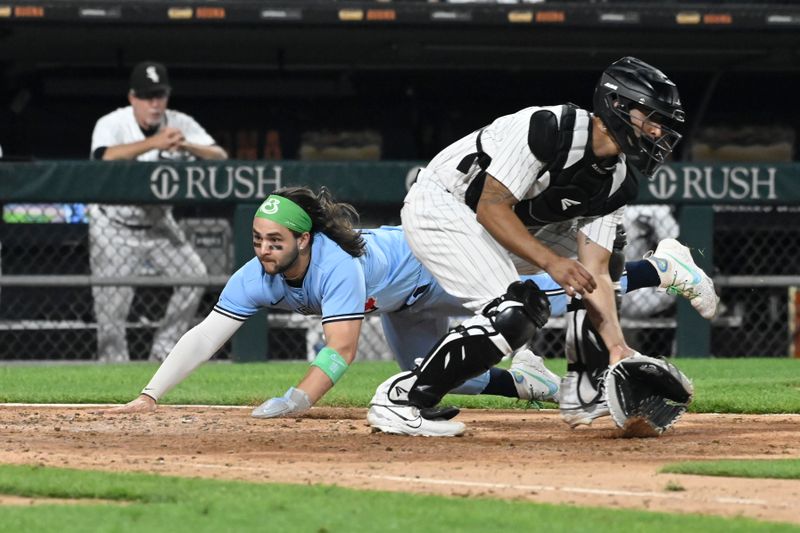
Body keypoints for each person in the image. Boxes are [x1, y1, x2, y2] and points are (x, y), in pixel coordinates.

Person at [106, 187, 715, 423]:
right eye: (259, 240)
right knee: (437, 377)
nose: (265, 249)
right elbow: (204, 335)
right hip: (403, 305)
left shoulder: (335, 265)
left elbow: (341, 352)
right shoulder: (255, 274)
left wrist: (296, 402)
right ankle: (530, 384)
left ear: (304, 239)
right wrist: (150, 394)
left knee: (558, 291)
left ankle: (663, 266)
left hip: (433, 267)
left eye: (277, 240)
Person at [365, 56, 714, 437]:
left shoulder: (619, 183)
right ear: (618, 105)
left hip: (515, 222)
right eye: (652, 118)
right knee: (512, 313)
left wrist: (618, 347)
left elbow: (594, 273)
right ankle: (400, 399)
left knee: (584, 276)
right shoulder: (550, 127)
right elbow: (490, 205)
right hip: (445, 202)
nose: (658, 131)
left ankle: (590, 373)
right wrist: (551, 262)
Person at [89, 61, 227, 362]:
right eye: (147, 96)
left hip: (158, 224)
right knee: (111, 313)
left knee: (195, 277)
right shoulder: (112, 123)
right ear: (132, 98)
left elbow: (219, 156)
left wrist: (188, 145)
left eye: (160, 95)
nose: (154, 103)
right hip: (113, 225)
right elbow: (103, 158)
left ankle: (163, 351)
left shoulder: (179, 122)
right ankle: (113, 371)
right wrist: (154, 142)